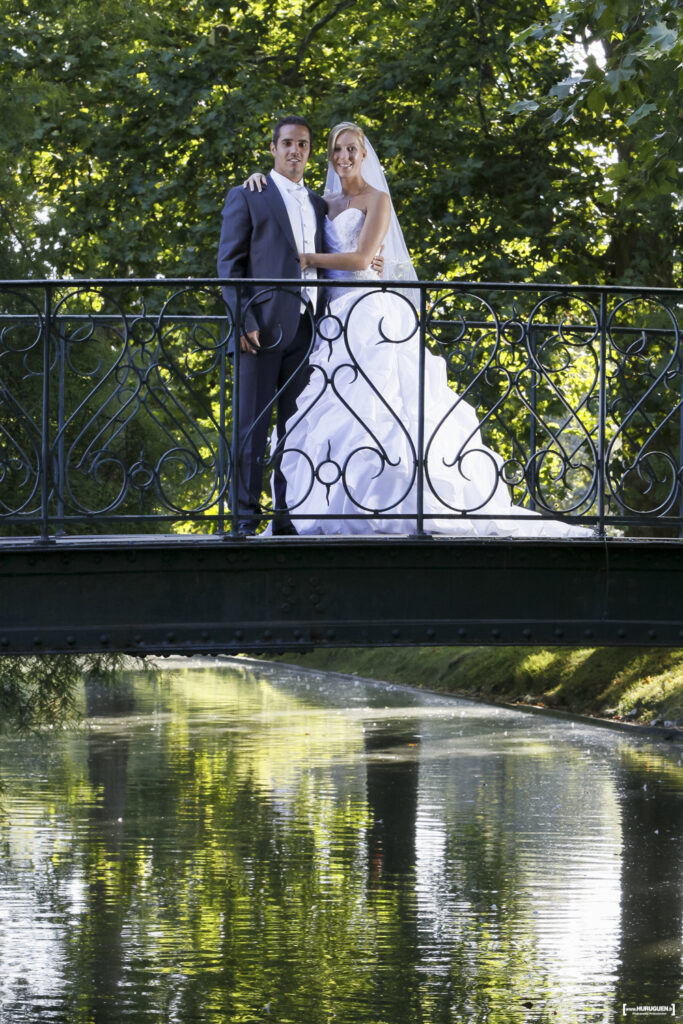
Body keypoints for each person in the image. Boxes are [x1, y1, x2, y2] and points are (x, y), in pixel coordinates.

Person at [246, 121, 592, 538]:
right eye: (337, 149)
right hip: (330, 319)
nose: (344, 156)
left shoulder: (378, 199)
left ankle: (393, 505)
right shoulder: (323, 203)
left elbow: (361, 259)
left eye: (352, 149)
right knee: (323, 413)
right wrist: (260, 178)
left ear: (364, 155)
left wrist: (307, 259)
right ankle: (321, 507)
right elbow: (291, 206)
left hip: (370, 315)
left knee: (385, 408)